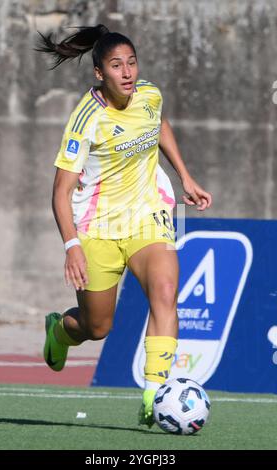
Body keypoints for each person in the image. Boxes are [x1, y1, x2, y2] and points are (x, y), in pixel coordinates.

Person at [36, 24, 212, 427]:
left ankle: (153, 397)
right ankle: (60, 332)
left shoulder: (148, 94)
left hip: (148, 217)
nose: (128, 72)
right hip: (98, 228)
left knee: (166, 291)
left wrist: (184, 175)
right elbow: (60, 191)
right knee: (97, 326)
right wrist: (72, 246)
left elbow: (158, 125)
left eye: (132, 62)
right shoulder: (86, 118)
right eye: (117, 65)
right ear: (100, 73)